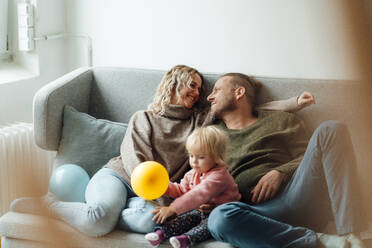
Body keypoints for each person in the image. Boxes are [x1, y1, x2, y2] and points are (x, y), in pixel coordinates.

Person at [10, 65, 312, 238]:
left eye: (199, 88)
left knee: (149, 223)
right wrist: (160, 199)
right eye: (190, 86)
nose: (197, 93)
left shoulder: (202, 120)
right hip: (121, 178)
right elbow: (134, 161)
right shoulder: (142, 117)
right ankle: (47, 206)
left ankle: (110, 211)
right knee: (98, 220)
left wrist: (293, 103)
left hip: (158, 190)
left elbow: (252, 109)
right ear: (173, 83)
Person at [205, 73, 367, 248]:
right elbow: (203, 174)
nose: (209, 96)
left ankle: (352, 236)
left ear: (239, 93)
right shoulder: (211, 137)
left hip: (295, 195)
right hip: (256, 213)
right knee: (218, 218)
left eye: (217, 90)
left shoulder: (281, 120)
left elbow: (309, 157)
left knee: (331, 129)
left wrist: (281, 172)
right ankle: (322, 241)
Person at [144, 126, 241, 248]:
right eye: (191, 155)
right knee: (185, 218)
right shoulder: (193, 173)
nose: (194, 162)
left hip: (221, 215)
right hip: (201, 211)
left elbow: (198, 194)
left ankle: (186, 239)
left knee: (207, 226)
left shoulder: (219, 176)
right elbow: (181, 190)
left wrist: (172, 208)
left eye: (201, 157)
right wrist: (163, 187)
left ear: (217, 157)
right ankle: (160, 234)